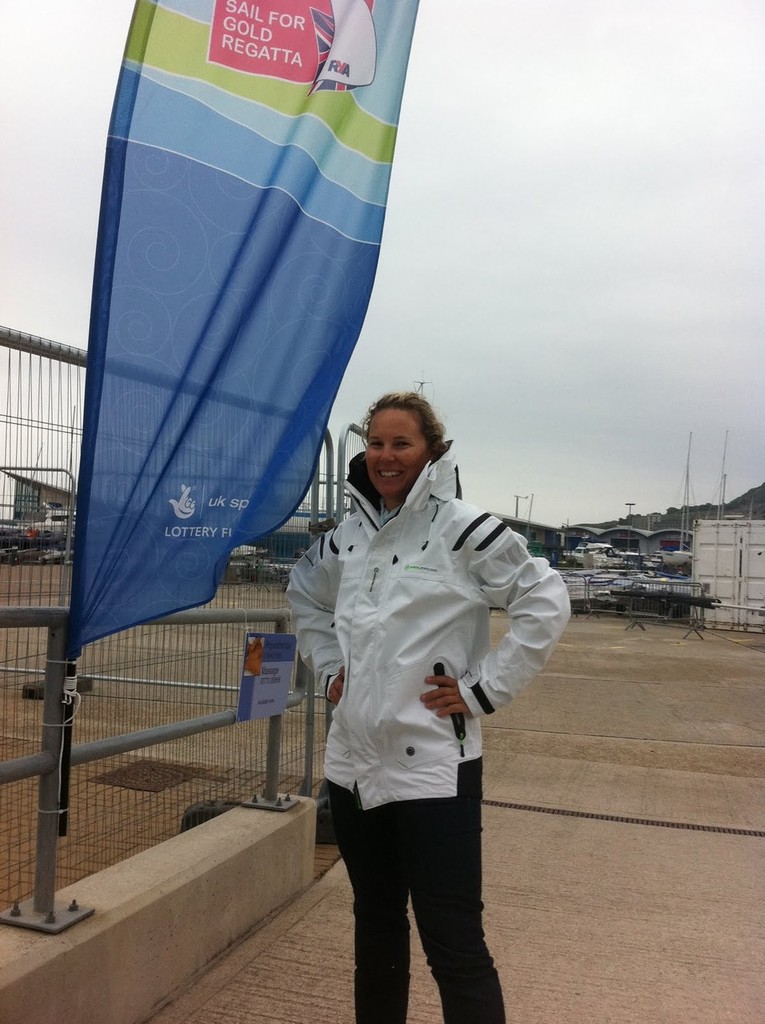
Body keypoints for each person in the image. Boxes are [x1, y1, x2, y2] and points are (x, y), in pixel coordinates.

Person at [287, 392, 571, 1024]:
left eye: (402, 444)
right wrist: (330, 667)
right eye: (377, 444)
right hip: (353, 766)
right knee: (376, 929)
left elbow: (545, 598)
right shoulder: (348, 536)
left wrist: (481, 690)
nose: (386, 458)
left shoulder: (462, 528)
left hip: (436, 769)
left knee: (455, 946)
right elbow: (304, 592)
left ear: (431, 450)